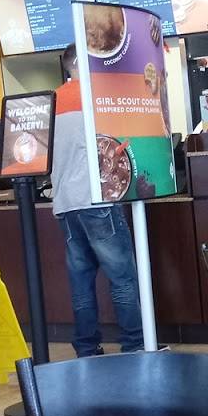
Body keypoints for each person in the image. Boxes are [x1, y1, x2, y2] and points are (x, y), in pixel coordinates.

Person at [52, 44, 143, 357]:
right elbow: (118, 147)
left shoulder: (52, 102)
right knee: (122, 278)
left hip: (65, 203)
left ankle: (87, 349)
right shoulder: (97, 97)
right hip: (97, 200)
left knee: (81, 282)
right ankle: (134, 344)